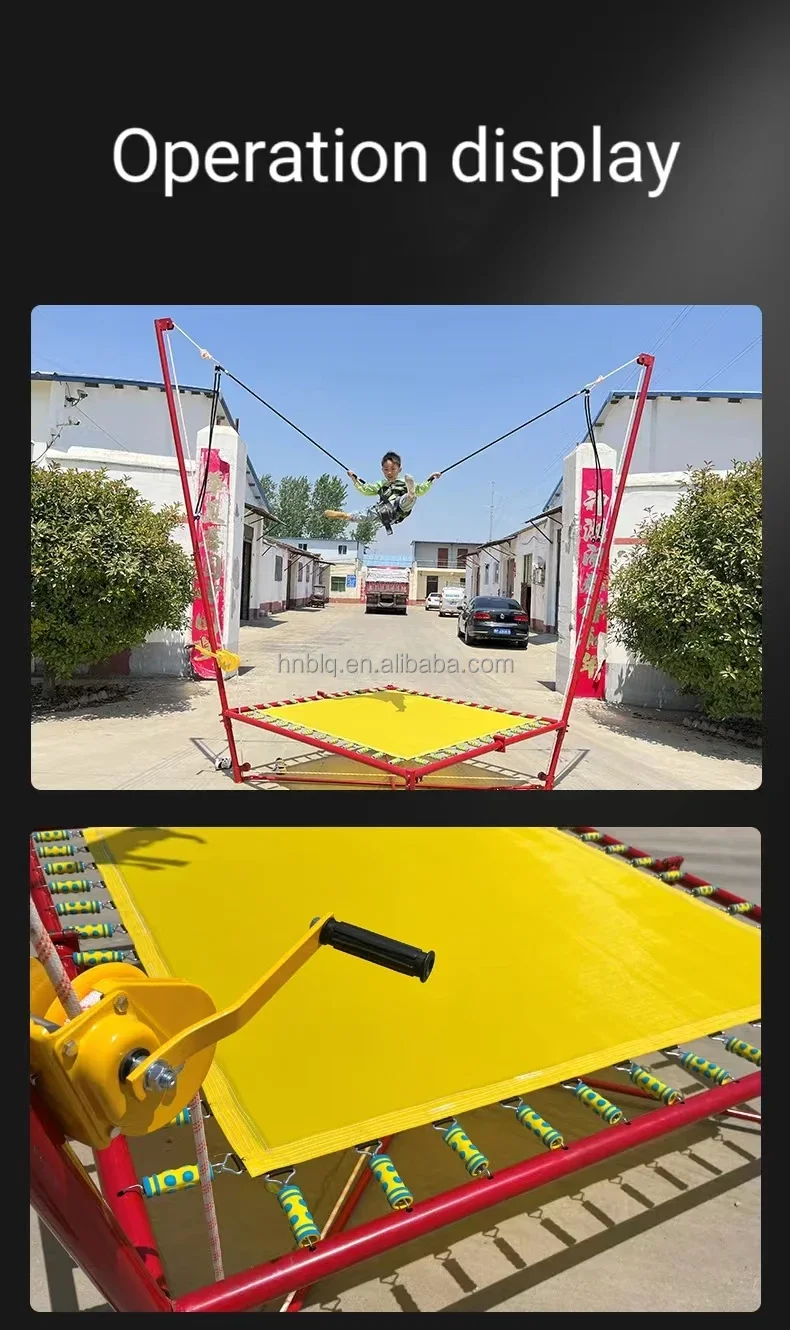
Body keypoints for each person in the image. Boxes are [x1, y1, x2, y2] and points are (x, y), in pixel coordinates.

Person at [325, 452, 442, 535]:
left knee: (408, 499)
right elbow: (365, 489)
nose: (389, 472)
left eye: (393, 469)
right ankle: (347, 516)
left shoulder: (402, 481)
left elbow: (421, 489)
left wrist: (431, 479)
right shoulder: (381, 484)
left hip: (400, 508)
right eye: (386, 470)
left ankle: (410, 493)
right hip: (385, 510)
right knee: (368, 513)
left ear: (399, 469)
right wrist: (354, 479)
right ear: (382, 470)